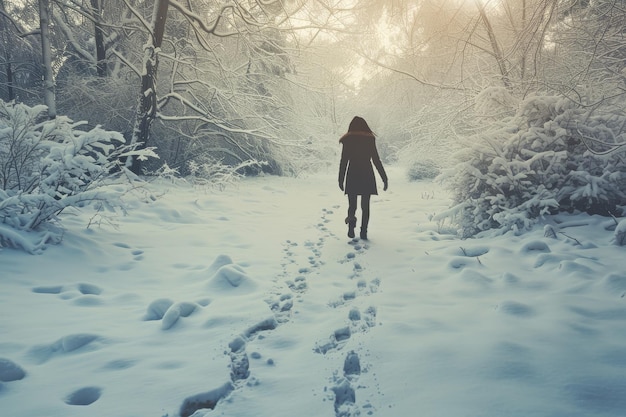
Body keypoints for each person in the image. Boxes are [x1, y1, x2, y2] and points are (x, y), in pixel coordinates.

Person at [338, 116, 388, 240]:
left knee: (352, 205)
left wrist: (341, 179)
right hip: (366, 173)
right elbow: (376, 160)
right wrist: (384, 178)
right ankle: (363, 232)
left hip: (352, 173)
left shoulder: (347, 139)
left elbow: (343, 161)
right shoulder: (369, 139)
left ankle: (351, 226)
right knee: (365, 206)